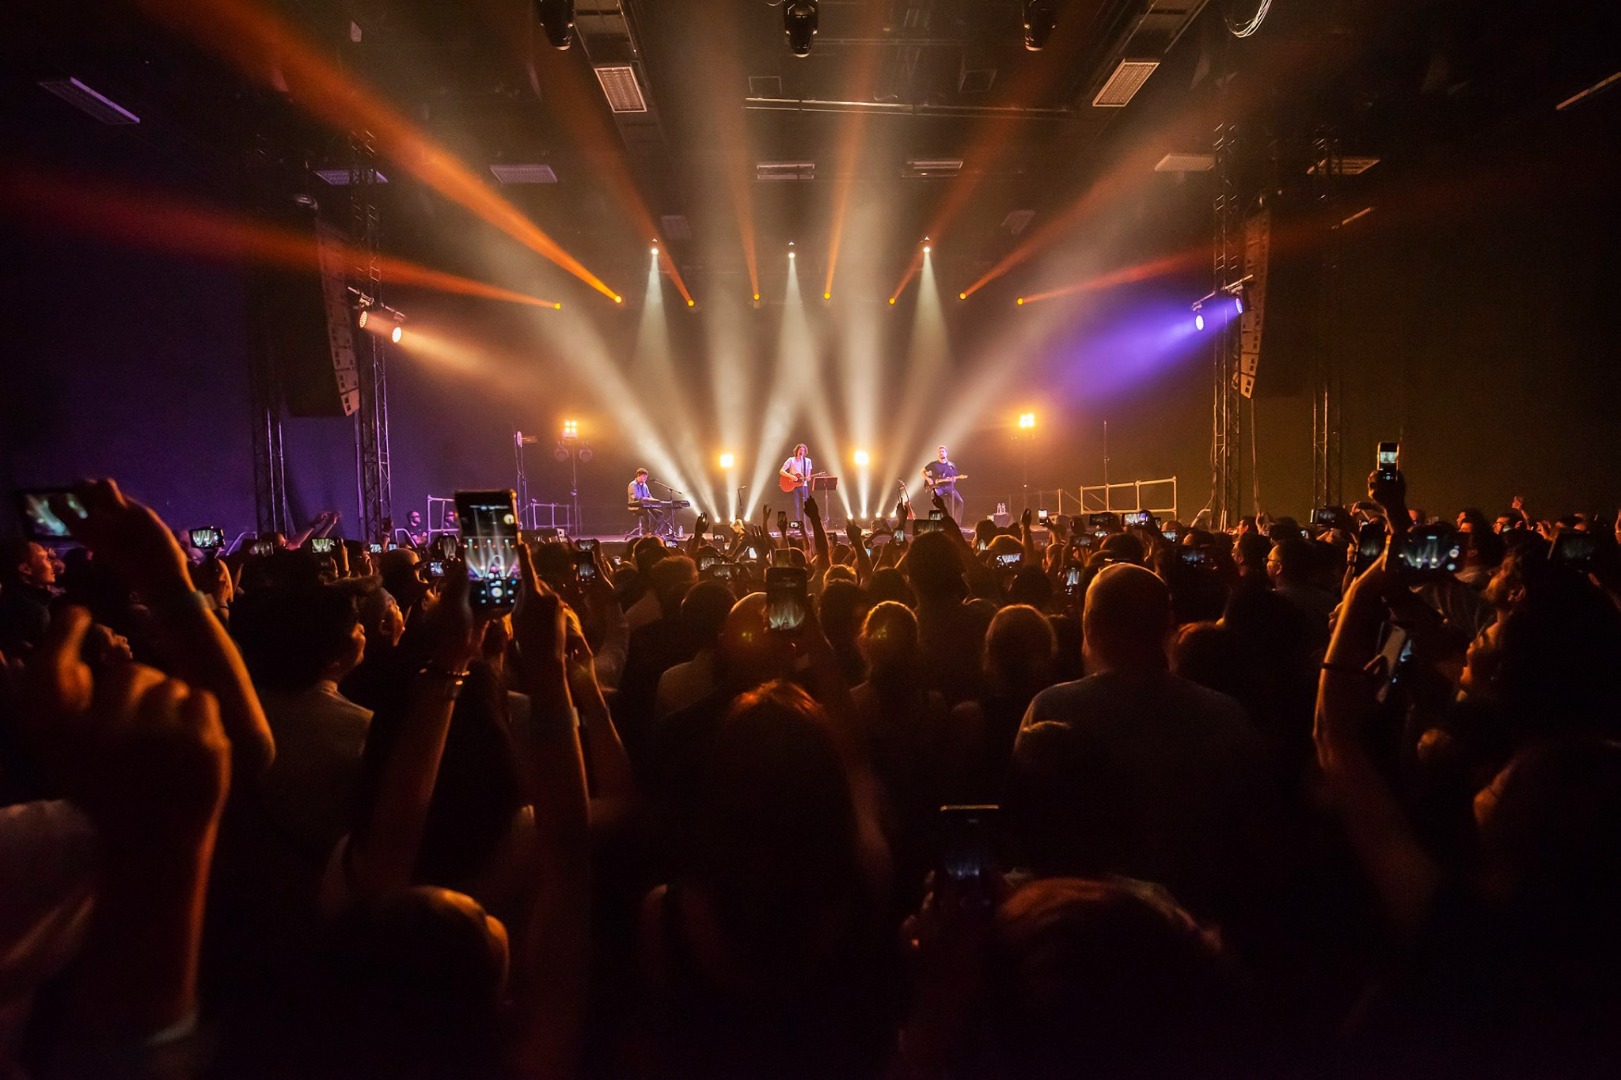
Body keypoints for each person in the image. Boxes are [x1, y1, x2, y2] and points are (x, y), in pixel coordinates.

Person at [921, 445, 965, 523]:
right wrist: (928, 479)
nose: (941, 453)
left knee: (960, 501)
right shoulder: (933, 464)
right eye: (939, 452)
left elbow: (954, 477)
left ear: (946, 453)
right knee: (935, 497)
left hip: (949, 487)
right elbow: (922, 471)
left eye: (943, 451)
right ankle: (936, 522)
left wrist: (954, 479)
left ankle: (957, 524)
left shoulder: (951, 465)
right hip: (938, 487)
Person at [779, 443, 814, 522]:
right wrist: (791, 476)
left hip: (804, 486)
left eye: (803, 450)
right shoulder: (791, 460)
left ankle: (806, 525)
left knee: (806, 505)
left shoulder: (808, 461)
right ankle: (797, 524)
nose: (801, 451)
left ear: (805, 452)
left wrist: (808, 478)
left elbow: (808, 475)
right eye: (800, 450)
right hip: (793, 486)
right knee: (796, 506)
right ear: (796, 450)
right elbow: (781, 471)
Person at [627, 468, 657, 538]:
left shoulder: (645, 485)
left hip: (646, 506)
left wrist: (655, 500)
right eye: (643, 477)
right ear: (638, 475)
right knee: (646, 512)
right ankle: (647, 532)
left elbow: (649, 496)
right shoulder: (632, 485)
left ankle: (654, 531)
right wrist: (646, 498)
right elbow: (635, 497)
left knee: (659, 513)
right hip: (635, 507)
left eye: (646, 477)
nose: (645, 479)